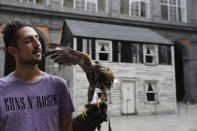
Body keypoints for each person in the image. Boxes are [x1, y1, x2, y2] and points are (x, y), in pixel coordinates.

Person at [0, 20, 75, 131]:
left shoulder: (58, 85)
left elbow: (67, 126)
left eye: (37, 38)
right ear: (13, 50)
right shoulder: (1, 89)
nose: (37, 44)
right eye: (28, 41)